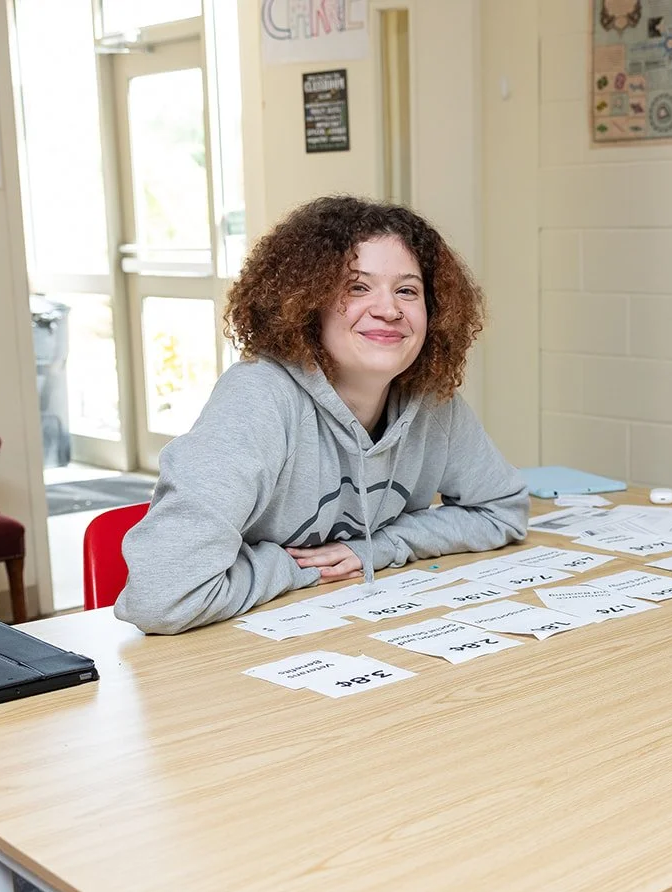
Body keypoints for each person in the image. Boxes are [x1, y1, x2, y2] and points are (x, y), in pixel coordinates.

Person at [116, 197, 528, 635]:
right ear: (306, 303)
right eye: (357, 287)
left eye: (407, 290)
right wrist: (295, 566)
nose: (389, 310)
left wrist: (380, 547)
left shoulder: (431, 402)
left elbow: (503, 511)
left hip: (358, 634)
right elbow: (160, 597)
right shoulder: (258, 398)